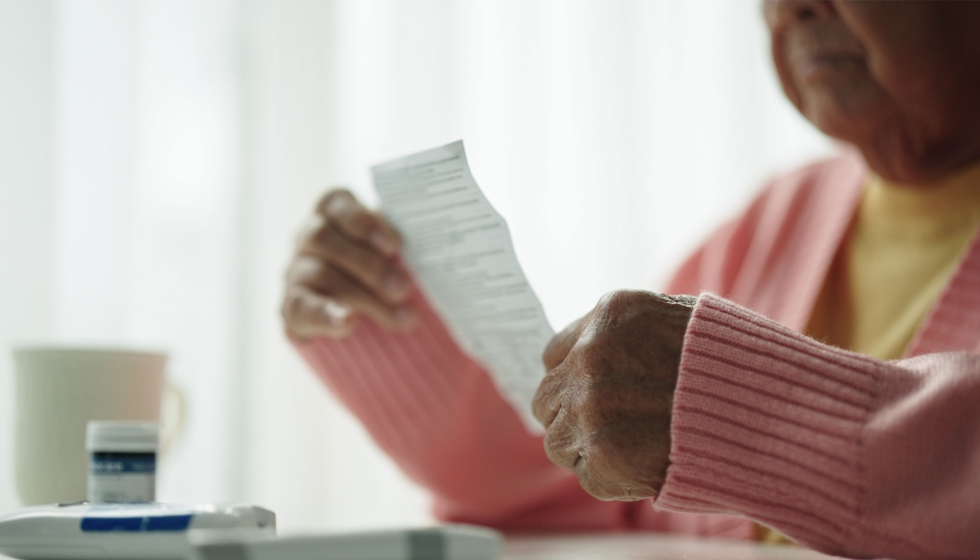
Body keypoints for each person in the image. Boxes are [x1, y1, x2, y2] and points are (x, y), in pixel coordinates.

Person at [281, 1, 980, 558]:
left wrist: (741, 411)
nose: (790, 7)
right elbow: (589, 494)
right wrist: (388, 311)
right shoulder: (773, 224)